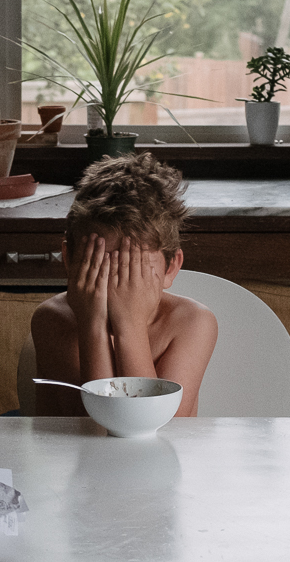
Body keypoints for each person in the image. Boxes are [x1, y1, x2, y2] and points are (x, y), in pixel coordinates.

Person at [32, 153, 218, 417]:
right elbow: (97, 430)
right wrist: (93, 324)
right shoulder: (52, 320)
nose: (118, 288)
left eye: (134, 273)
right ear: (70, 261)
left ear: (171, 267)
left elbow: (151, 427)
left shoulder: (193, 322)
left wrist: (128, 326)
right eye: (100, 267)